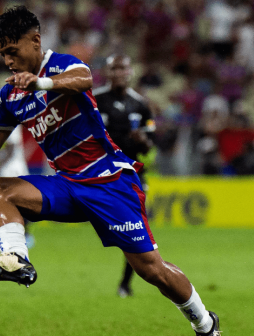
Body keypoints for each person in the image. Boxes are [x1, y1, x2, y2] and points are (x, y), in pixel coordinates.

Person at [0, 6, 221, 335]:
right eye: (3, 55)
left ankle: (205, 323)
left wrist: (41, 83)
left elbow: (84, 78)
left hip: (109, 182)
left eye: (12, 52)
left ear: (35, 41)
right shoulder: (10, 95)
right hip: (67, 185)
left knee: (151, 270)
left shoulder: (60, 65)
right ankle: (17, 259)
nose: (8, 62)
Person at [93, 55, 155, 298]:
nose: (119, 72)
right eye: (114, 68)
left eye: (123, 68)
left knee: (136, 231)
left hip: (132, 177)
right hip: (100, 175)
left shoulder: (140, 105)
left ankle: (125, 284)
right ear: (107, 72)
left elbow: (151, 146)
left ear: (130, 72)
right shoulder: (95, 100)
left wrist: (144, 141)